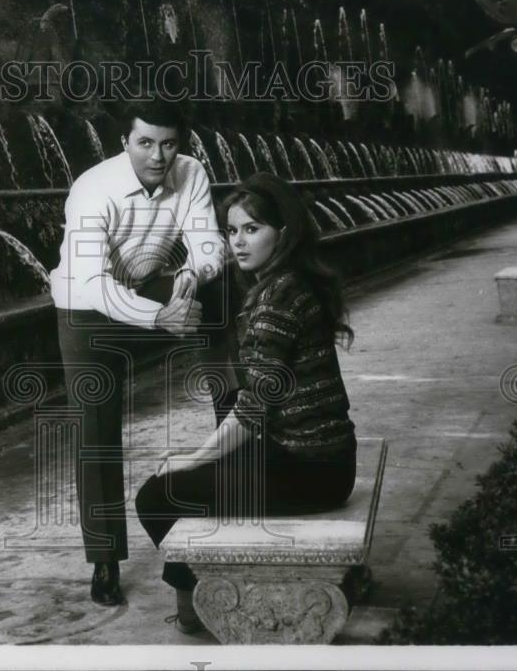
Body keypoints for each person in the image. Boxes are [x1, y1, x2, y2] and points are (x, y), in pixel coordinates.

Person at [135, 171, 358, 634]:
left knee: (158, 496)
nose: (238, 242)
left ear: (284, 231)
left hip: (311, 471)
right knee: (199, 477)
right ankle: (200, 594)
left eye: (252, 229)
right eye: (232, 230)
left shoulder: (275, 300)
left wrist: (190, 458)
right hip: (320, 456)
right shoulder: (290, 281)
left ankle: (204, 604)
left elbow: (253, 409)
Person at [49, 97, 229, 606]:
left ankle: (238, 427)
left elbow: (208, 242)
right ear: (124, 142)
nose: (157, 155)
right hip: (85, 306)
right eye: (145, 142)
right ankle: (105, 560)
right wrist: (159, 316)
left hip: (150, 288)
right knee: (95, 422)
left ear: (181, 144)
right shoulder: (92, 189)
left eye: (168, 144)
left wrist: (193, 275)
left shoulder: (191, 173)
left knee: (219, 294)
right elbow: (89, 282)